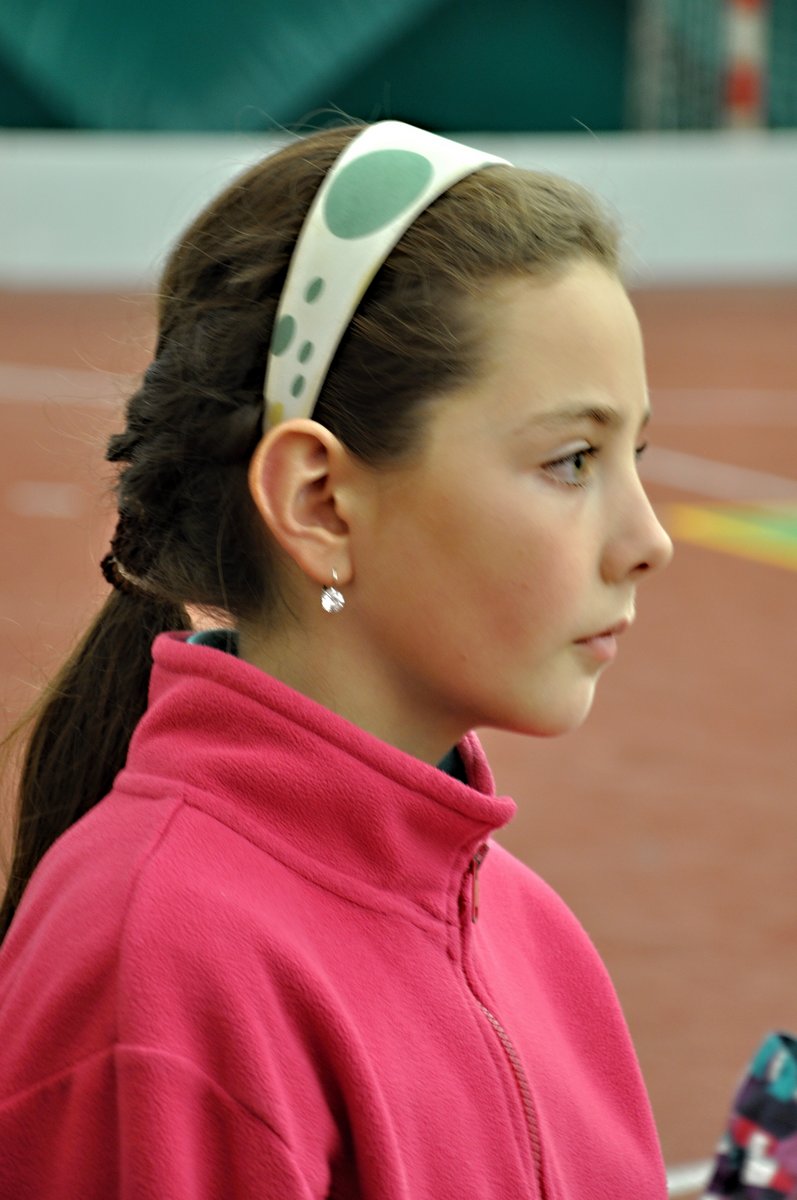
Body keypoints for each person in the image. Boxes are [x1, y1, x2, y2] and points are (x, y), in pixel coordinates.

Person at [0, 120, 673, 1198]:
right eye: (570, 460)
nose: (647, 540)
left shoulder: (534, 936)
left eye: (630, 455)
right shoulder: (165, 975)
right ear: (318, 502)